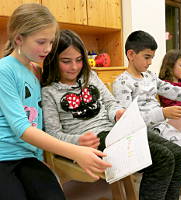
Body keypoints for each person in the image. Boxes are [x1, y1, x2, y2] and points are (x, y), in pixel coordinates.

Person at [41, 29, 181, 200]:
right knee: (162, 158)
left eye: (79, 60)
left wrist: (117, 113)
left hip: (116, 130)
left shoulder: (91, 76)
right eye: (66, 61)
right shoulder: (49, 92)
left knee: (179, 154)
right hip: (92, 141)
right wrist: (77, 141)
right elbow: (52, 134)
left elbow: (111, 103)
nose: (74, 67)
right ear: (53, 60)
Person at [0, 3, 112, 200]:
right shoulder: (5, 70)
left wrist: (43, 157)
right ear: (18, 38)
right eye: (41, 42)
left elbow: (41, 122)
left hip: (29, 157)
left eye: (51, 42)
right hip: (4, 156)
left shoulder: (36, 71)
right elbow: (22, 128)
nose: (48, 49)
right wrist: (76, 151)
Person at [113, 30, 181, 200]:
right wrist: (163, 113)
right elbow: (129, 121)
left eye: (152, 57)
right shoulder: (122, 83)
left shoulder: (149, 76)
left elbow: (174, 91)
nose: (151, 62)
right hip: (156, 131)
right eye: (147, 57)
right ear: (131, 54)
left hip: (172, 124)